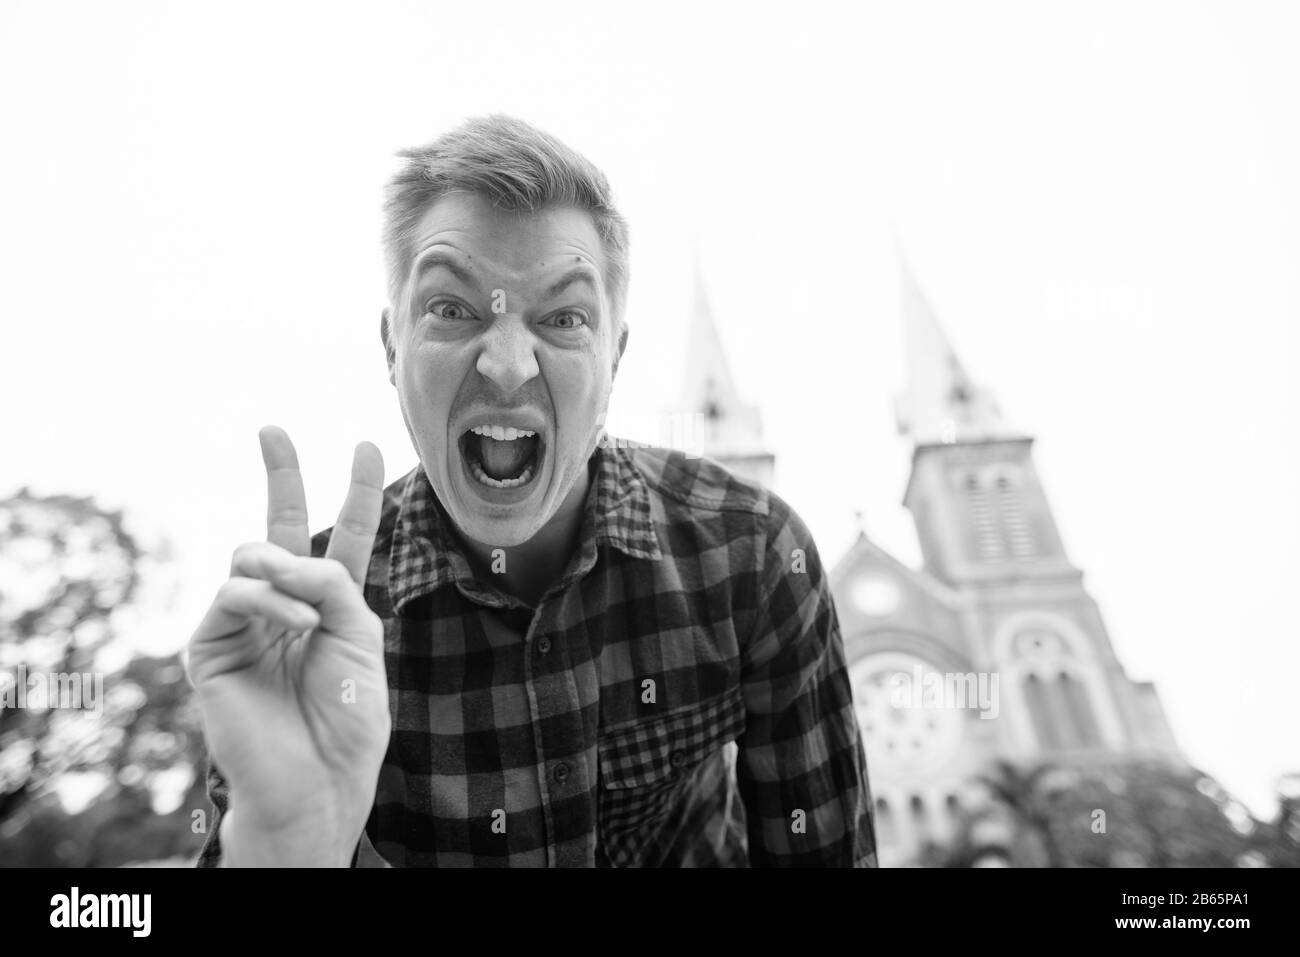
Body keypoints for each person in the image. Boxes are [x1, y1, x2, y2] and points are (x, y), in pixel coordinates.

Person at [188, 115, 876, 867]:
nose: (508, 364)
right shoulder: (301, 630)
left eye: (564, 316)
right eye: (451, 308)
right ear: (393, 345)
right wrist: (288, 847)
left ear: (614, 355)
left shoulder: (752, 553)